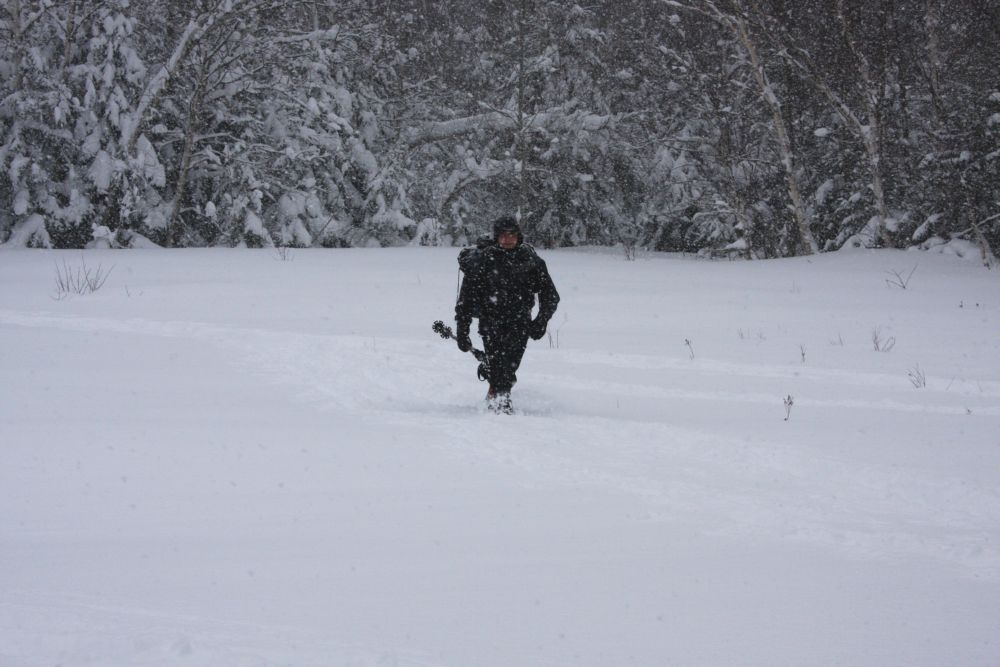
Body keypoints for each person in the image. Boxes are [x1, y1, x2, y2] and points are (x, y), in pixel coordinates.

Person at [454, 216, 559, 413]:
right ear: (496, 237)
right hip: (490, 322)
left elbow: (550, 295)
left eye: (511, 235)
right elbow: (465, 300)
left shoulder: (530, 261)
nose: (507, 240)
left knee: (510, 366)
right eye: (503, 235)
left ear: (518, 236)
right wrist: (462, 329)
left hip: (520, 322)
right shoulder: (482, 261)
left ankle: (496, 394)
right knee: (498, 365)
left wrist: (541, 321)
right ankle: (501, 403)